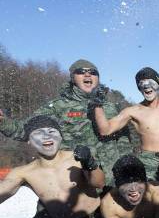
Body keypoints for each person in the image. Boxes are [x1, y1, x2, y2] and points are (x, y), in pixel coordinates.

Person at [0, 59, 133, 186]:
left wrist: (127, 166)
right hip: (75, 180)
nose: (88, 74)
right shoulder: (58, 106)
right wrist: (2, 122)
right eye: (81, 71)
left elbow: (123, 139)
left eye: (93, 72)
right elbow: (25, 130)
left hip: (111, 178)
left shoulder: (109, 106)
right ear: (73, 78)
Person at [92, 67, 159, 182]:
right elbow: (105, 130)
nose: (146, 86)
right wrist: (97, 104)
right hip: (147, 164)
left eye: (150, 82)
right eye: (142, 83)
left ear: (158, 84)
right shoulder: (132, 111)